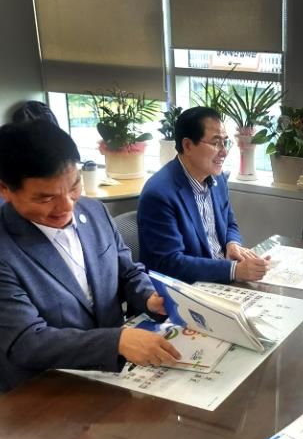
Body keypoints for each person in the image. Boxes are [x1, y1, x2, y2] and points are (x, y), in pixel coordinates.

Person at [0, 120, 181, 392]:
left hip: (114, 375)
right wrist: (116, 341)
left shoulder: (94, 211)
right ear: (5, 189)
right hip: (46, 389)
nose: (66, 206)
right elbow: (26, 341)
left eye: (74, 186)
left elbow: (127, 271)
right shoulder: (6, 248)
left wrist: (148, 297)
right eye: (45, 198)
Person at [138, 106, 269, 284]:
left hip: (219, 280)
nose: (224, 152)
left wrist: (232, 243)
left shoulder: (218, 179)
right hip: (185, 289)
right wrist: (233, 271)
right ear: (187, 146)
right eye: (216, 143)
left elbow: (229, 223)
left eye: (225, 142)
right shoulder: (159, 194)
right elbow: (169, 263)